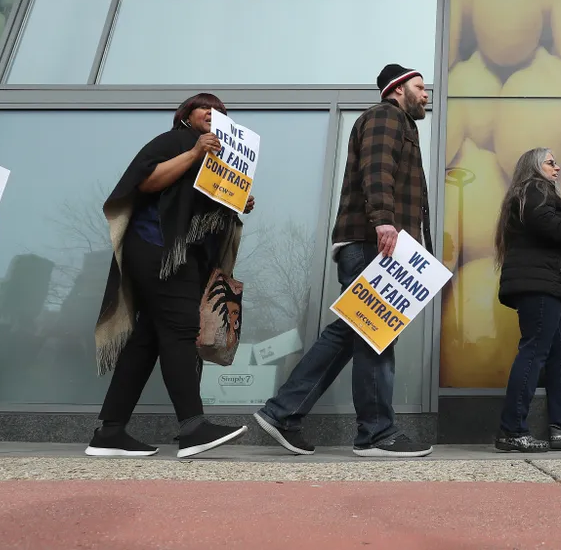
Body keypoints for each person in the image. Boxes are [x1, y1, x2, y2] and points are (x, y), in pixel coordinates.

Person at [254, 64, 433, 458]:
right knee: (374, 335)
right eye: (420, 88)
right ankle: (376, 433)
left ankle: (283, 412)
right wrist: (385, 221)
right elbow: (376, 169)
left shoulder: (399, 122)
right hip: (375, 243)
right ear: (398, 89)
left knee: (354, 332)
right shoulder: (386, 116)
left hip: (379, 243)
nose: (426, 96)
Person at [88, 93, 253, 459]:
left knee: (146, 340)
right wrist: (194, 153)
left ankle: (110, 431)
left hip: (183, 257)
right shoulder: (175, 141)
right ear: (185, 116)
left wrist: (237, 202)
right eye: (204, 107)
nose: (213, 113)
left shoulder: (221, 160)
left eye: (221, 111)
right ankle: (193, 426)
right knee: (180, 328)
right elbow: (145, 182)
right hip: (158, 248)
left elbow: (202, 211)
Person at [494, 147, 561, 453]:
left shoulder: (528, 193)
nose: (557, 167)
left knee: (560, 354)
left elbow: (545, 236)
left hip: (550, 285)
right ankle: (511, 430)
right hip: (541, 287)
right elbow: (549, 225)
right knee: (535, 353)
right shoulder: (535, 188)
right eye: (551, 162)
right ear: (534, 167)